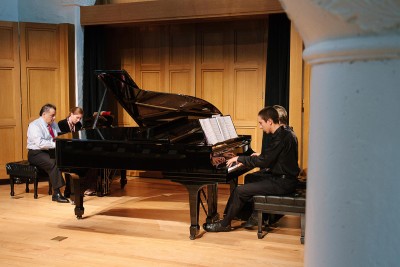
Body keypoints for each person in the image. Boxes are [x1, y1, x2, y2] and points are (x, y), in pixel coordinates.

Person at [203, 106, 300, 232]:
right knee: (251, 178)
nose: (260, 127)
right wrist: (259, 156)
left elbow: (264, 162)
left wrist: (239, 159)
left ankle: (224, 224)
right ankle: (254, 215)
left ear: (270, 121)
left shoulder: (280, 137)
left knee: (239, 190)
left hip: (282, 183)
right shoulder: (286, 133)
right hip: (286, 178)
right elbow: (274, 157)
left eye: (261, 123)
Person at [27, 103, 69, 203]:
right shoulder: (34, 125)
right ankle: (57, 193)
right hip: (36, 153)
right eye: (52, 115)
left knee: (66, 159)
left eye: (55, 115)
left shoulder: (53, 124)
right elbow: (40, 143)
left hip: (49, 151)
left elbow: (59, 136)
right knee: (54, 162)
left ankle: (69, 189)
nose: (54, 118)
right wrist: (56, 145)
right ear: (44, 114)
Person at [58, 107, 98, 196]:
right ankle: (71, 189)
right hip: (65, 151)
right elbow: (63, 140)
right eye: (77, 117)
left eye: (80, 118)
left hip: (75, 150)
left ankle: (88, 187)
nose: (78, 120)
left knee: (93, 160)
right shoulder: (62, 124)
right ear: (71, 114)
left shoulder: (79, 124)